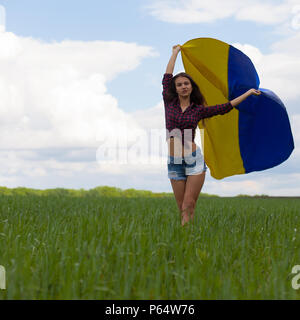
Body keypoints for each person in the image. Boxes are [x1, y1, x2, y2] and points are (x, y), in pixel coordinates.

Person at [163, 44, 261, 226]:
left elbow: (225, 107)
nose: (183, 86)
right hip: (174, 160)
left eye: (186, 84)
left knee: (189, 205)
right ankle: (184, 242)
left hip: (194, 160)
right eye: (180, 84)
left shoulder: (198, 110)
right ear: (175, 88)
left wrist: (247, 94)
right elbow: (167, 76)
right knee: (181, 207)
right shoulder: (169, 103)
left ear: (191, 87)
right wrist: (175, 53)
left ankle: (188, 240)